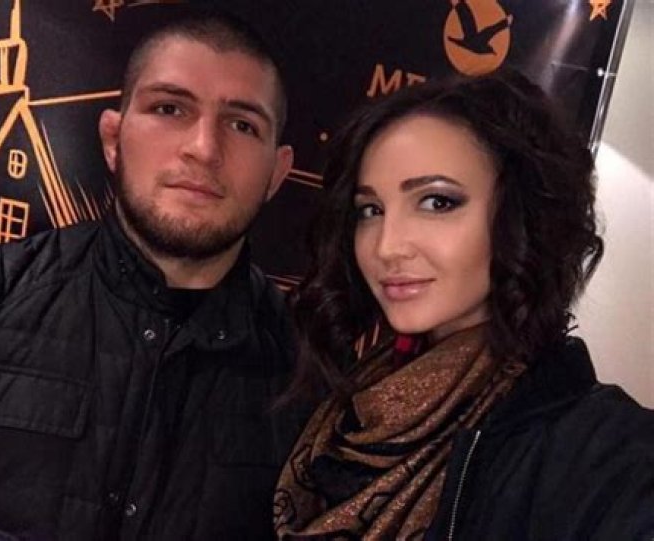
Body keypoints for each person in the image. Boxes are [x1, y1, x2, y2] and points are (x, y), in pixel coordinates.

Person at [0, 5, 308, 540]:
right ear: (113, 139)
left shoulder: (308, 376)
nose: (204, 148)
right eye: (169, 108)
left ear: (276, 172)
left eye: (242, 124)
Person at [274, 71, 654, 540]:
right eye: (370, 210)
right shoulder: (351, 399)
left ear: (521, 215)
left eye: (437, 202)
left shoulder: (606, 454)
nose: (387, 246)